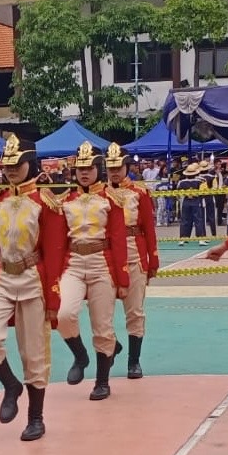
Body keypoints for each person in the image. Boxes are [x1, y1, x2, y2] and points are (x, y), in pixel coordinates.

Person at [0, 136, 66, 441]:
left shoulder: (45, 203)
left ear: (31, 163)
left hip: (33, 280)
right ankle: (10, 385)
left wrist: (53, 297)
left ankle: (36, 417)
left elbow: (54, 253)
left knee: (34, 352)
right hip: (1, 278)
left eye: (17, 164)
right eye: (7, 164)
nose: (11, 169)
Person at [57, 141, 130, 401]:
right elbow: (58, 241)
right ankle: (80, 355)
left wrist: (123, 279)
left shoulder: (112, 200)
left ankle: (102, 381)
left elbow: (119, 240)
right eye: (80, 168)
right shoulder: (65, 201)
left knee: (102, 326)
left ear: (99, 168)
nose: (84, 173)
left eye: (89, 168)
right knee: (63, 315)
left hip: (102, 263)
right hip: (73, 263)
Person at [106, 142, 159, 379]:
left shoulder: (140, 193)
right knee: (100, 311)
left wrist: (153, 260)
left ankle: (133, 361)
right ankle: (110, 344)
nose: (114, 172)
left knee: (135, 311)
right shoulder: (99, 194)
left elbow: (149, 229)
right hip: (107, 258)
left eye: (118, 167)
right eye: (110, 168)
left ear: (127, 167)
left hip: (134, 255)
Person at [176, 162, 207, 245]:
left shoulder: (182, 182)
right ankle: (200, 239)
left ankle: (183, 238)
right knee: (198, 220)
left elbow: (178, 193)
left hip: (186, 202)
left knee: (184, 220)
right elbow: (203, 192)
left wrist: (186, 195)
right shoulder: (201, 181)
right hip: (196, 201)